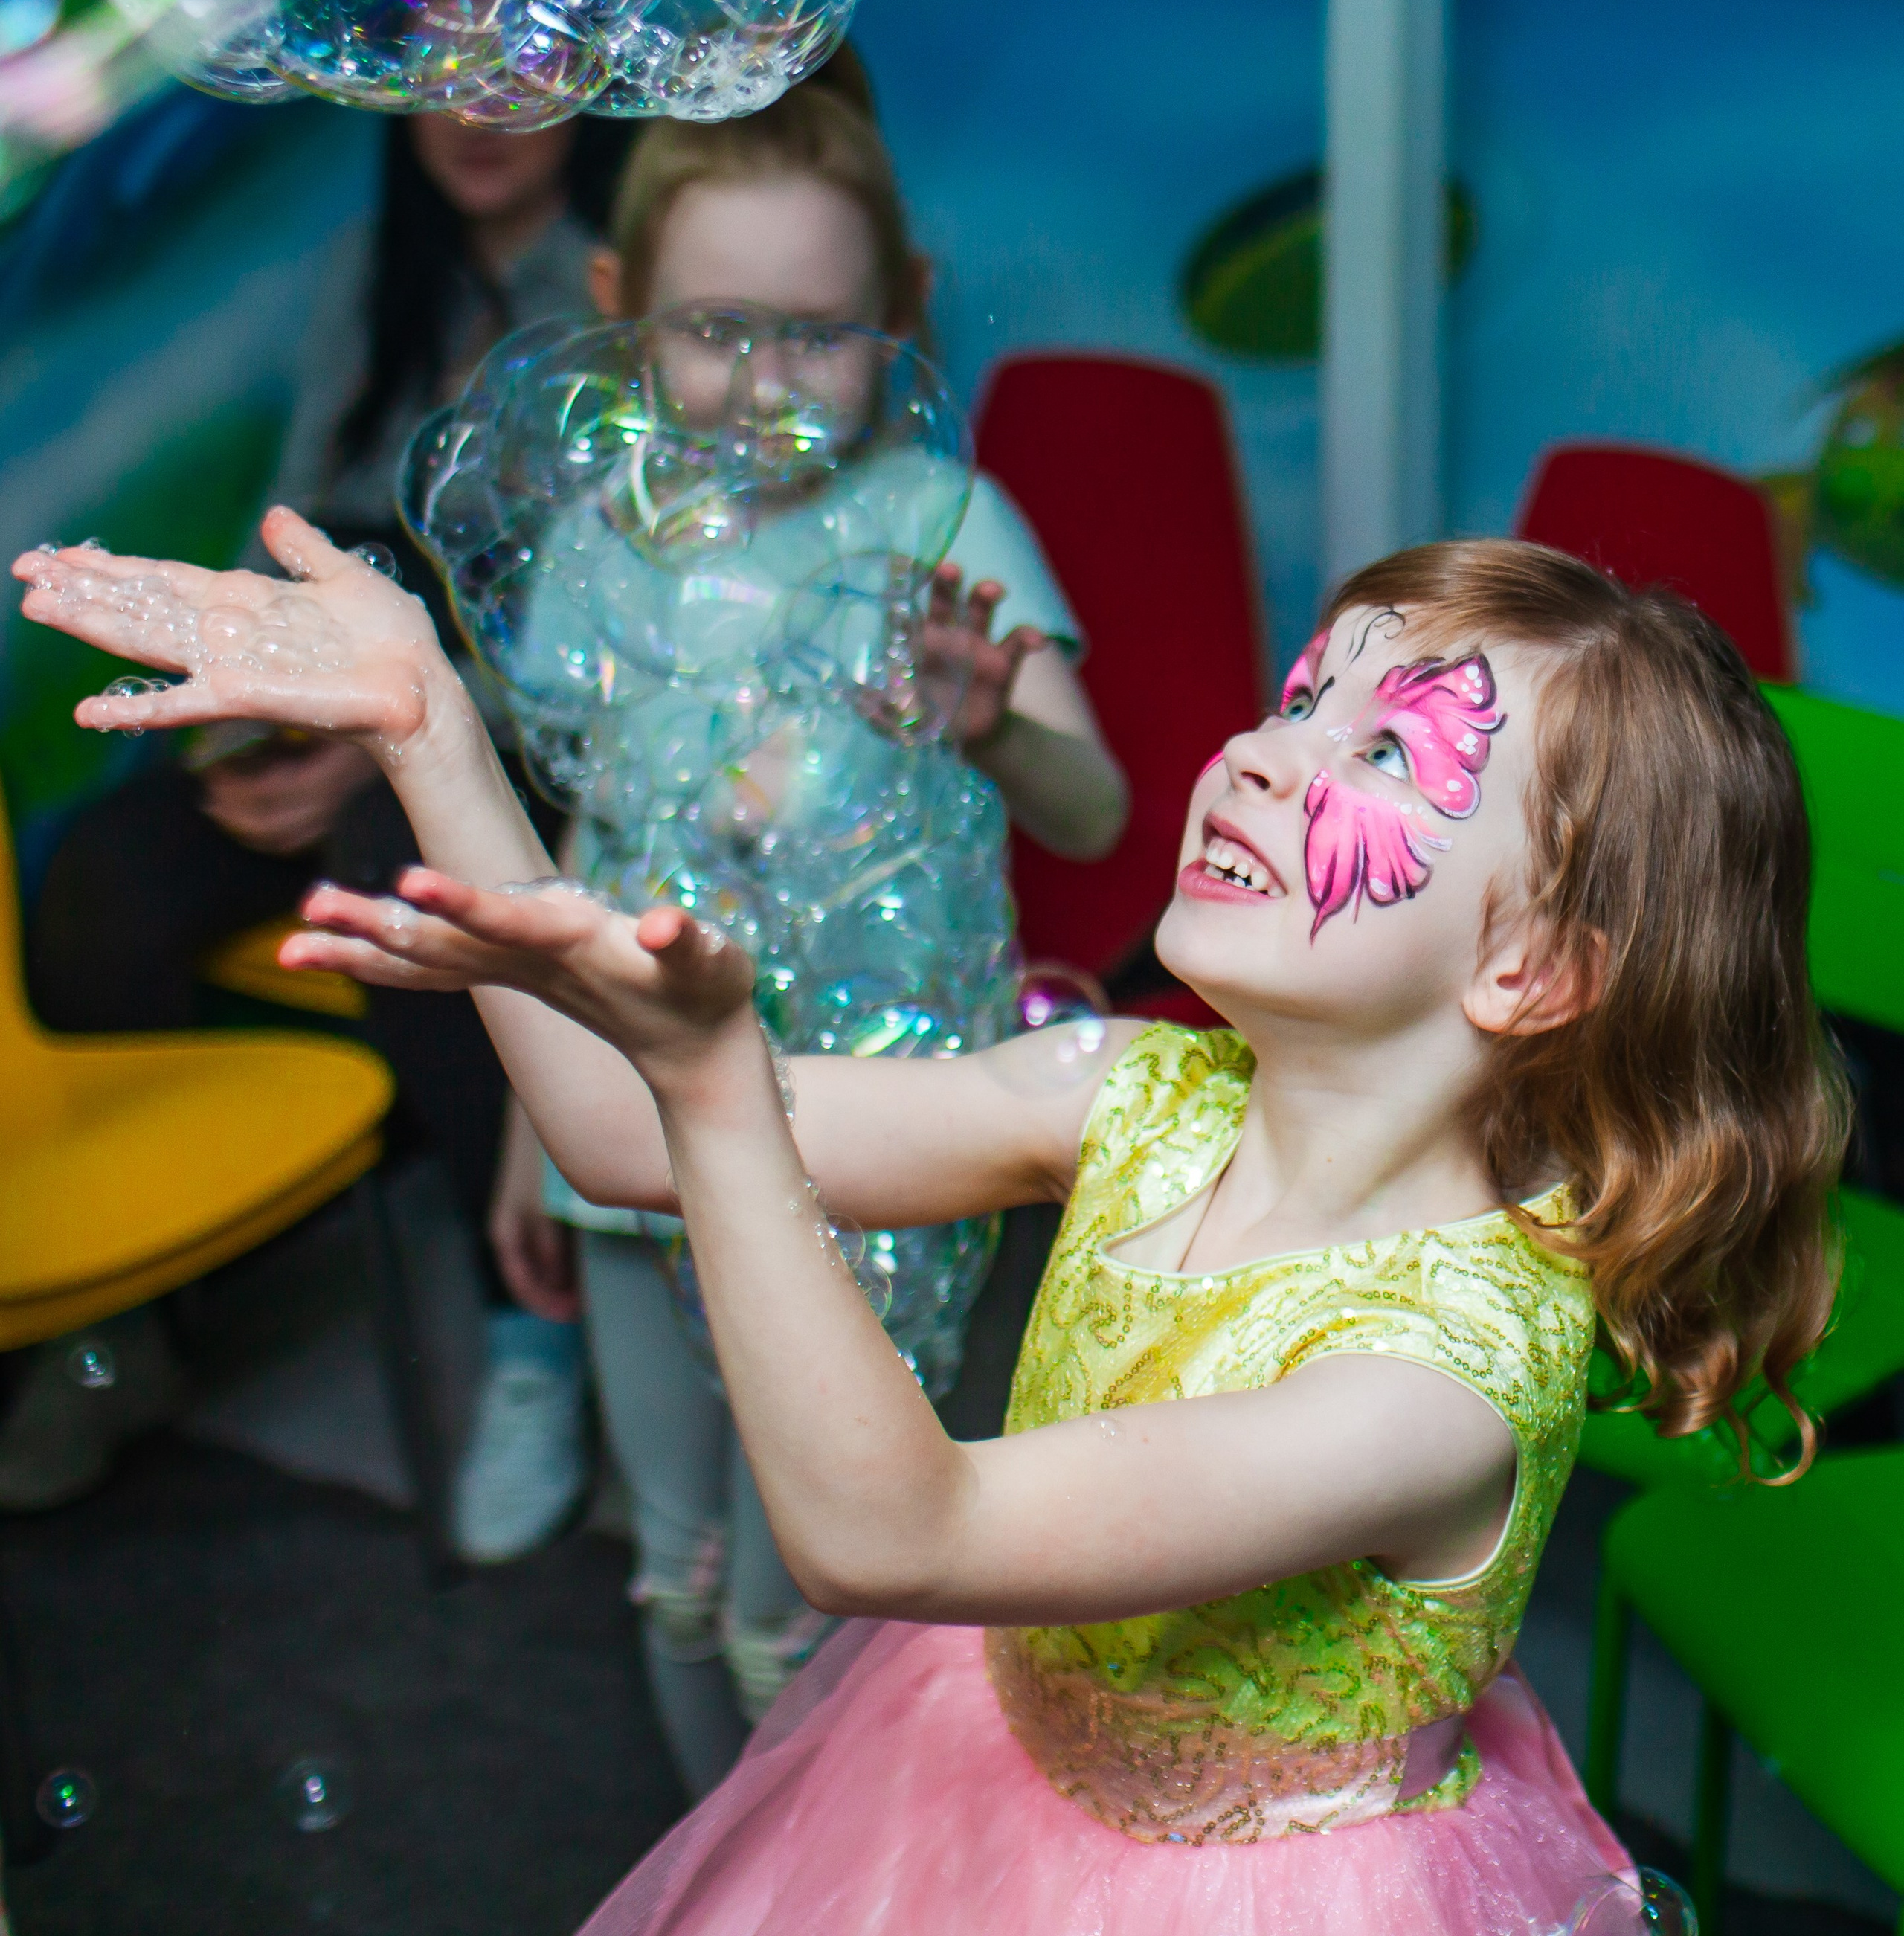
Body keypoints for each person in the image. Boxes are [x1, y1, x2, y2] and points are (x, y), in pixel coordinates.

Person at [13, 526, 1844, 1931]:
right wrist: (431, 732)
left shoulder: (1432, 1384)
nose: (1267, 754)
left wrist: (723, 1084)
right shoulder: (1124, 1088)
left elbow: (891, 1526)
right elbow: (612, 1128)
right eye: (1297, 696)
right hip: (977, 1778)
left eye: (1381, 748)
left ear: (1530, 964)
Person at [454, 46, 1129, 1788]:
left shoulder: (945, 528)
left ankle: (809, 1863)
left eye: (814, 335)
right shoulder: (605, 536)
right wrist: (536, 1127)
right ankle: (712, 1864)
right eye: (711, 329)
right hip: (636, 1131)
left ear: (901, 312)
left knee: (808, 1585)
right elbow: (590, 827)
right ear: (618, 314)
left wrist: (999, 720)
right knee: (669, 1554)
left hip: (861, 1145)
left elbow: (1096, 810)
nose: (760, 382)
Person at [15, 110, 637, 1559]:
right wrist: (244, 713)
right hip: (329, 686)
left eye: (516, 70)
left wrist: (372, 733)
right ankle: (126, 1327)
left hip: (511, 729)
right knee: (112, 863)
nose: (477, 116)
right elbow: (289, 528)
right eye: (441, 69)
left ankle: (524, 1335)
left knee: (391, 861)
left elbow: (597, 636)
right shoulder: (373, 264)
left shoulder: (612, 286)